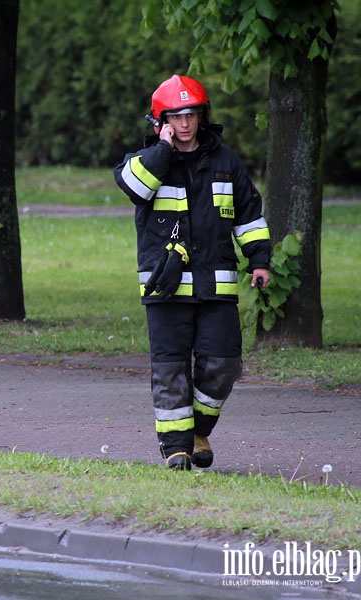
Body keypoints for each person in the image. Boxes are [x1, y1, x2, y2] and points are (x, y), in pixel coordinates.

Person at [114, 74, 272, 471]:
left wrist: (259, 261)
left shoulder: (225, 161)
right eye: (176, 117)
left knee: (223, 364)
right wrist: (163, 149)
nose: (185, 123)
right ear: (161, 121)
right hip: (165, 287)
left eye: (192, 115)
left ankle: (198, 430)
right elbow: (135, 188)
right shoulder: (146, 161)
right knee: (170, 369)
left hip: (215, 284)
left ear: (202, 117)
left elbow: (249, 215)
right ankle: (176, 448)